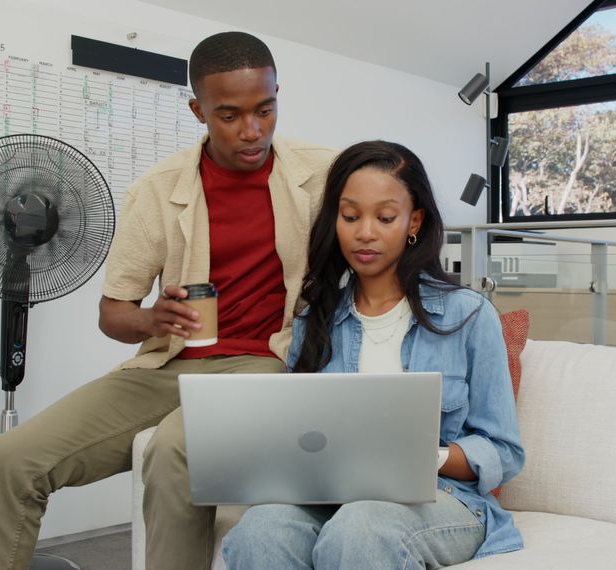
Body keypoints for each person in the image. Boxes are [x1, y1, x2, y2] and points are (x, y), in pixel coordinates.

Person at [0, 31, 336, 570]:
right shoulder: (159, 190)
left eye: (265, 109)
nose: (252, 131)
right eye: (229, 115)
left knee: (173, 449)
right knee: (11, 458)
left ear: (278, 96)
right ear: (198, 110)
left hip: (266, 363)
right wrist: (151, 318)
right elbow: (112, 313)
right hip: (168, 365)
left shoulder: (323, 172)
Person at [221, 141, 526, 569]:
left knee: (360, 526)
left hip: (442, 497)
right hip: (331, 497)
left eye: (385, 217)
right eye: (350, 216)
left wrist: (425, 455)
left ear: (413, 221)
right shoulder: (315, 320)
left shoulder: (469, 315)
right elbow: (298, 438)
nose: (365, 232)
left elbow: (505, 451)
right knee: (259, 528)